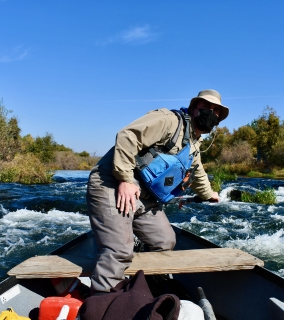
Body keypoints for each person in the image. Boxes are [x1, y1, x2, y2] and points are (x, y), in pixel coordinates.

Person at [86, 89, 229, 295]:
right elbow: (127, 136)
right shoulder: (168, 120)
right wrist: (125, 179)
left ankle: (143, 289)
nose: (211, 113)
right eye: (206, 107)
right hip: (112, 184)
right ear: (193, 108)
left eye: (216, 111)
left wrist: (209, 194)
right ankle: (101, 305)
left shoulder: (194, 143)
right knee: (118, 252)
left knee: (165, 241)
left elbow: (197, 173)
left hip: (144, 196)